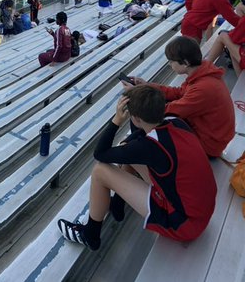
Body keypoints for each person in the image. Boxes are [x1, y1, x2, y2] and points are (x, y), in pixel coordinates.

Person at [57, 85, 216, 251]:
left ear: (136, 118)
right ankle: (117, 205)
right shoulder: (175, 121)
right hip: (200, 209)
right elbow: (139, 140)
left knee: (100, 171)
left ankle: (90, 234)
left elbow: (100, 154)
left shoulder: (149, 147)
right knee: (130, 151)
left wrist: (116, 121)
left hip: (183, 223)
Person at [124, 37, 235, 158]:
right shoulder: (202, 70)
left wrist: (138, 96)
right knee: (146, 110)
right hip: (209, 133)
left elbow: (172, 110)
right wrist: (147, 86)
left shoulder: (203, 88)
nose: (170, 64)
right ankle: (135, 144)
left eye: (172, 61)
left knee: (143, 113)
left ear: (186, 62)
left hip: (209, 146)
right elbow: (178, 93)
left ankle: (136, 149)